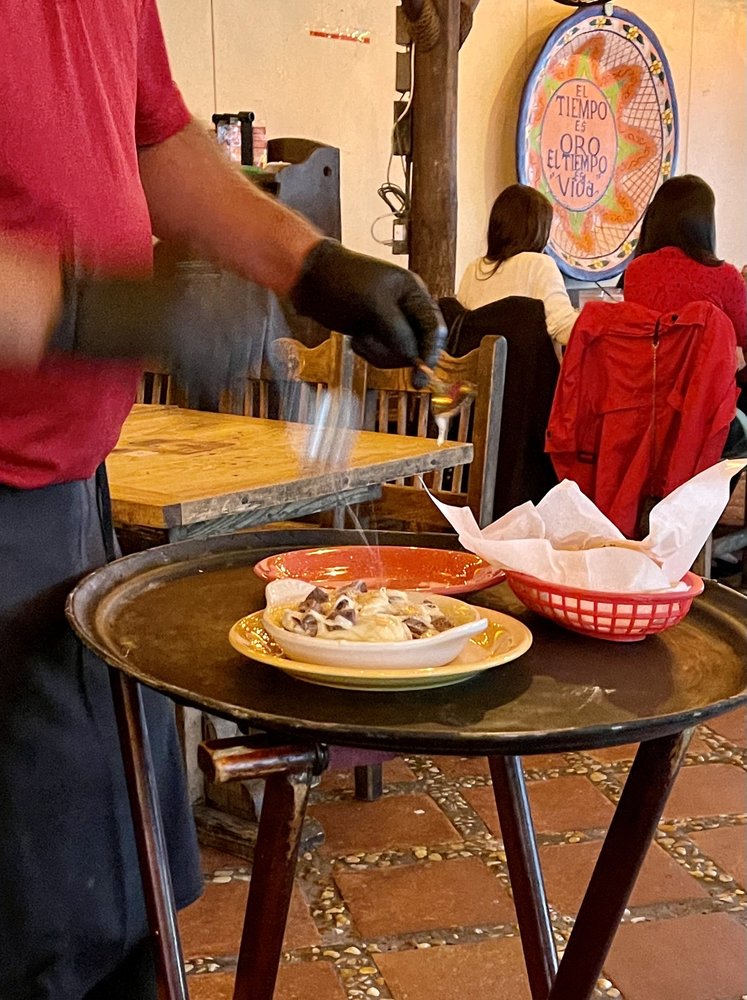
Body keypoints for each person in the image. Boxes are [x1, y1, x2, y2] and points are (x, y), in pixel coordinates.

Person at [0, 4, 444, 998]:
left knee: (129, 900)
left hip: (70, 493)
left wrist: (307, 264)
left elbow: (158, 135)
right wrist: (88, 308)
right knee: (34, 932)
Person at [623, 174, 746, 373]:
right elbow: (743, 337)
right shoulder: (726, 276)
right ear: (704, 223)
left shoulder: (636, 271)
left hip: (651, 383)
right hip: (706, 387)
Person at [456, 184, 577, 356]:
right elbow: (562, 329)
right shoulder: (538, 264)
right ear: (537, 229)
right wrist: (600, 320)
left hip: (480, 372)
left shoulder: (474, 269)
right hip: (530, 372)